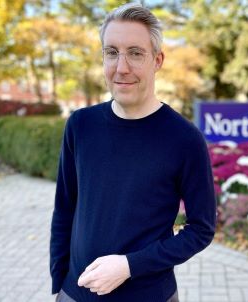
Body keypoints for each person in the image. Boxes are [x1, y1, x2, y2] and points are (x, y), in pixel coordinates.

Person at [49, 3, 217, 302]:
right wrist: (59, 283)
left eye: (135, 53)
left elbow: (200, 230)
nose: (121, 67)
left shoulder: (185, 139)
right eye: (111, 52)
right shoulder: (80, 125)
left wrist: (129, 266)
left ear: (157, 60)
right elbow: (65, 208)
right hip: (75, 294)